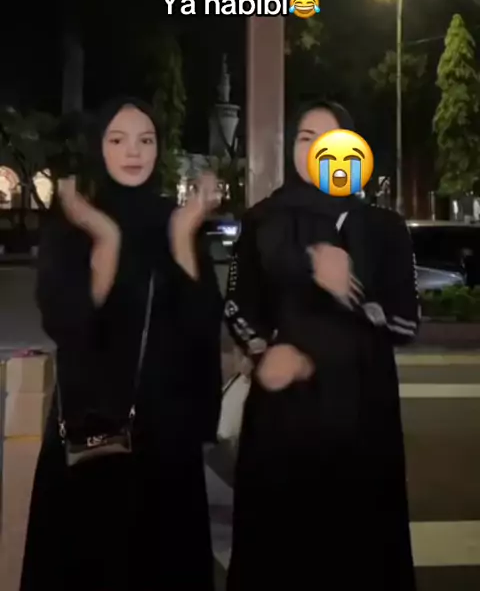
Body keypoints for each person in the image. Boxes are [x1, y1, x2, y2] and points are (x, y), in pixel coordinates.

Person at [20, 97, 223, 591]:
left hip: (166, 440)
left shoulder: (177, 220)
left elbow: (202, 326)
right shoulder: (74, 222)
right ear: (99, 147)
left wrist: (183, 239)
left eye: (145, 140)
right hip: (91, 435)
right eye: (118, 139)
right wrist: (106, 241)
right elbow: (67, 322)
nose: (134, 152)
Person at [225, 100, 420, 590]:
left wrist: (352, 292)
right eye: (306, 139)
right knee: (280, 553)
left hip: (361, 417)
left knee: (358, 553)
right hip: (282, 420)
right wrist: (261, 353)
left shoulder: (384, 228)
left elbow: (406, 324)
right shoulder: (262, 221)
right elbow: (237, 307)